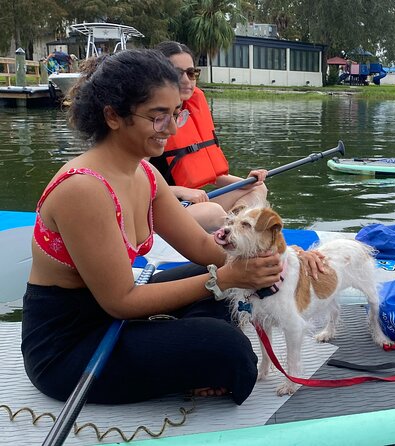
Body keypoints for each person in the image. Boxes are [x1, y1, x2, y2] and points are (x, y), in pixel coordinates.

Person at [21, 49, 323, 405]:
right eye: (159, 116)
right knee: (229, 348)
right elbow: (121, 301)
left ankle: (176, 352)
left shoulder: (145, 173)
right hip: (68, 346)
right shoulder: (84, 189)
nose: (174, 128)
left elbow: (205, 249)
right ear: (113, 116)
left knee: (215, 278)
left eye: (176, 113)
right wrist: (226, 279)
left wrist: (287, 257)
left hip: (110, 314)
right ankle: (190, 358)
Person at [150, 41, 268, 233]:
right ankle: (233, 234)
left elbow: (209, 174)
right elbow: (132, 183)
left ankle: (233, 233)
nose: (187, 80)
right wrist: (181, 191)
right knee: (212, 212)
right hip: (158, 207)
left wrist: (247, 181)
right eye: (177, 73)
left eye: (191, 73)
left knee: (258, 189)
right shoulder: (148, 119)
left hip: (188, 203)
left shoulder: (190, 111)